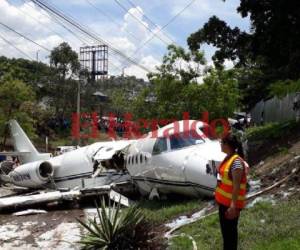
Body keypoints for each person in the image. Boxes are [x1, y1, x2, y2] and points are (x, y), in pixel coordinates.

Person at [215, 133, 248, 250]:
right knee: (227, 235)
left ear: (227, 145)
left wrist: (233, 207)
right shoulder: (228, 158)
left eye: (221, 142)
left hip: (230, 205)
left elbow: (236, 186)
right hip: (224, 203)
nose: (220, 144)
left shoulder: (236, 162)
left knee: (230, 236)